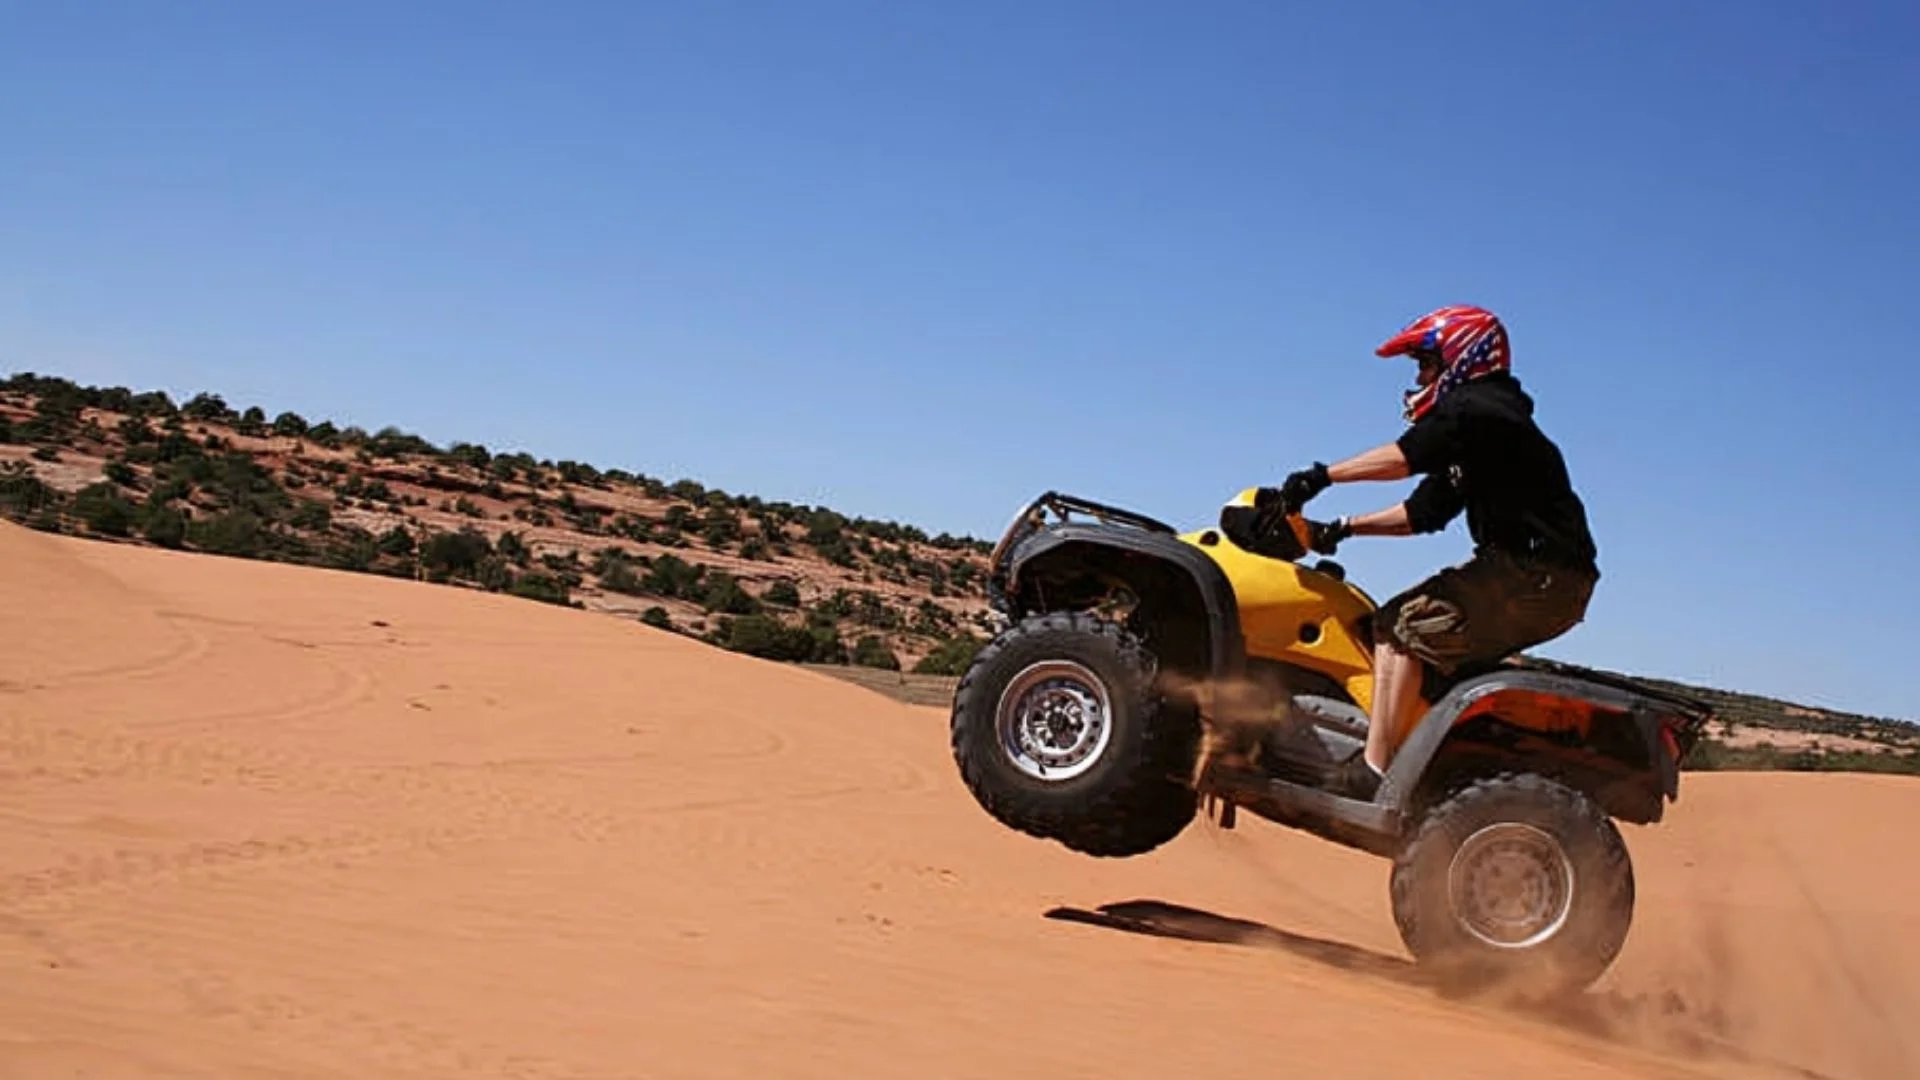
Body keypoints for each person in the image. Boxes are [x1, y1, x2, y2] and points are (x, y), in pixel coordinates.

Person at [1261, 304, 1600, 800]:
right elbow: (1421, 513)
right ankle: (1429, 769)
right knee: (1411, 643)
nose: (1419, 376)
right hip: (1537, 575)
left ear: (1461, 356)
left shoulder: (1482, 409)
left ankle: (1376, 773)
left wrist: (1322, 476)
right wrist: (1339, 529)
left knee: (1400, 627)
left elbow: (1405, 458)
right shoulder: (1486, 431)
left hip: (1536, 574)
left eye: (1425, 363)